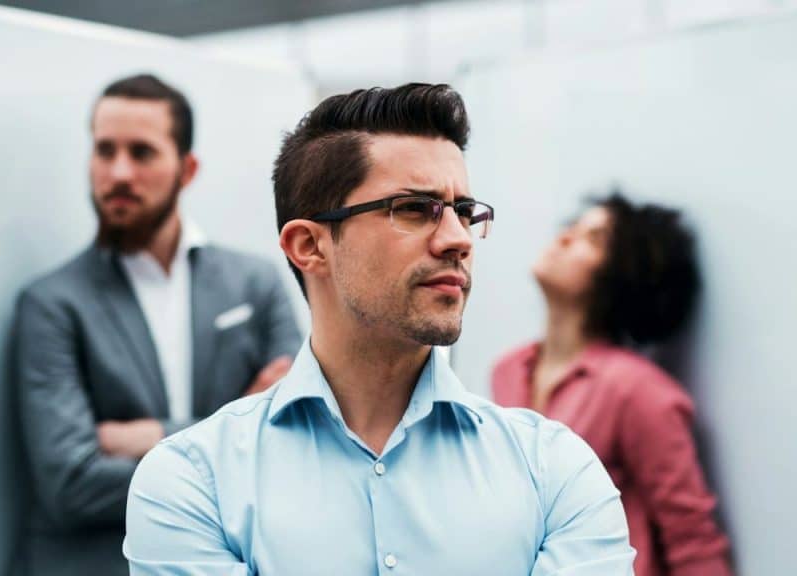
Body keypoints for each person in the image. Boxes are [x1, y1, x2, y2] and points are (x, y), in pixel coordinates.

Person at [123, 83, 635, 575]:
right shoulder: (195, 480)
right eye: (413, 209)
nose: (458, 239)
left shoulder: (554, 469)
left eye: (463, 212)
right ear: (309, 246)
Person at [12, 74, 302, 576]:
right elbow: (70, 487)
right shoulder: (51, 303)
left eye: (141, 152)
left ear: (187, 170)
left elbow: (292, 440)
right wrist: (234, 430)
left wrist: (149, 435)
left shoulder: (255, 284)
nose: (119, 172)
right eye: (105, 150)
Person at [491, 192, 732, 576]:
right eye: (573, 227)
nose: (564, 238)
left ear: (623, 273)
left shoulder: (638, 390)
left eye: (594, 238)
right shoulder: (508, 370)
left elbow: (692, 540)